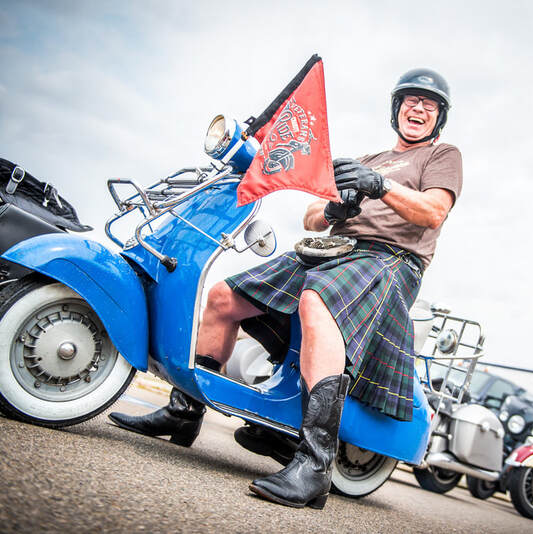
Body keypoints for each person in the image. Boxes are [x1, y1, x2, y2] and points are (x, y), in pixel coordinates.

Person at [108, 67, 463, 509]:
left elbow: (432, 212)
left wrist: (380, 186)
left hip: (390, 260)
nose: (418, 108)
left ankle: (314, 466)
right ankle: (182, 414)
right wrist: (334, 209)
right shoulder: (368, 158)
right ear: (397, 109)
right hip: (336, 249)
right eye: (411, 100)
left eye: (429, 104)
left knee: (317, 301)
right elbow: (311, 217)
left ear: (439, 116)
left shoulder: (442, 155)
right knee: (223, 297)